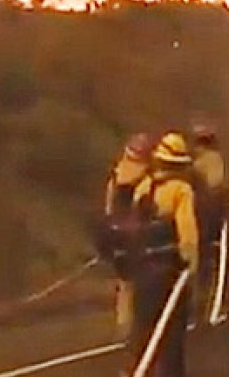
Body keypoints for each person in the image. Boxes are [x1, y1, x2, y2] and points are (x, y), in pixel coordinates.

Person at [127, 131, 199, 377]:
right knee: (172, 336)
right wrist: (191, 265)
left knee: (144, 330)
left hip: (142, 271)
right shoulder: (181, 190)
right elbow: (187, 233)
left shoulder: (143, 188)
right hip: (168, 273)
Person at [190, 122, 229, 324]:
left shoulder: (195, 162)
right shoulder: (213, 160)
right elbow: (217, 184)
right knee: (226, 259)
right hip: (216, 215)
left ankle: (202, 306)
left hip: (201, 217)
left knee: (205, 262)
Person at [102, 133, 152, 340]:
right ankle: (139, 322)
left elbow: (109, 203)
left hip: (120, 230)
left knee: (125, 280)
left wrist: (110, 225)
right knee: (141, 278)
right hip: (141, 231)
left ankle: (124, 322)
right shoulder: (149, 175)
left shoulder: (118, 172)